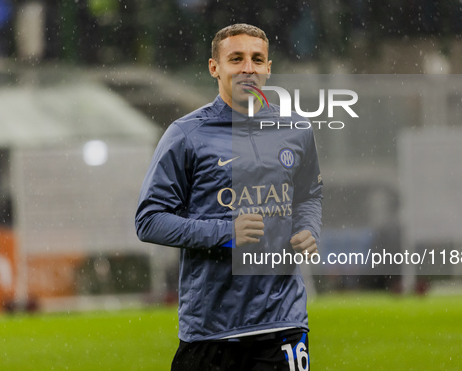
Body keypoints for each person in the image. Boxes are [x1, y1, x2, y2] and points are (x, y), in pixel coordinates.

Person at [135, 23, 322, 370]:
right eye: (236, 59)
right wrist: (226, 233)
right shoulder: (186, 135)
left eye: (257, 59)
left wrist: (308, 228)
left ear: (268, 68)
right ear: (214, 67)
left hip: (283, 323)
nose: (247, 68)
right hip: (212, 330)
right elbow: (149, 221)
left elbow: (309, 194)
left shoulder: (297, 130)